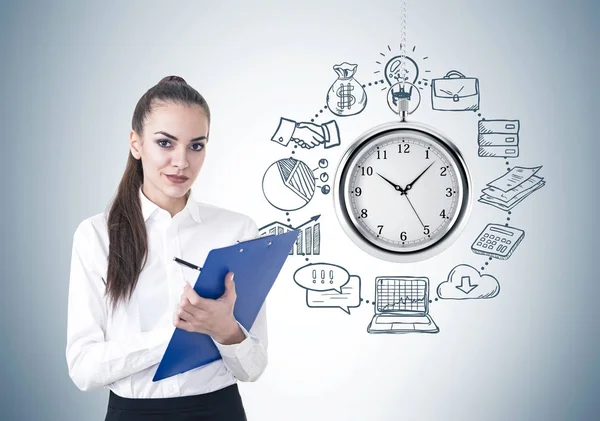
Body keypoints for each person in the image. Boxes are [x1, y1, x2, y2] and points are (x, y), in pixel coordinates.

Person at [65, 75, 267, 421]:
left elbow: (253, 368)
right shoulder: (96, 235)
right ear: (136, 143)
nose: (181, 162)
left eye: (196, 146)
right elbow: (84, 369)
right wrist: (173, 336)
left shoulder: (238, 230)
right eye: (165, 143)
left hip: (219, 411)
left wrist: (226, 331)